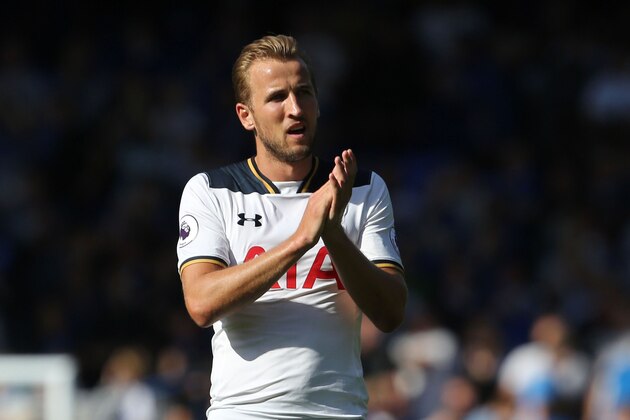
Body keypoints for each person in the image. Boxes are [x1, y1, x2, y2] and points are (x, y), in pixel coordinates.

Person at [176, 34, 407, 419]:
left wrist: (332, 235)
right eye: (277, 97)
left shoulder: (362, 189)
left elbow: (391, 312)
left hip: (340, 412)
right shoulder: (212, 191)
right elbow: (201, 303)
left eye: (304, 93)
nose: (295, 108)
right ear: (245, 114)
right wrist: (301, 239)